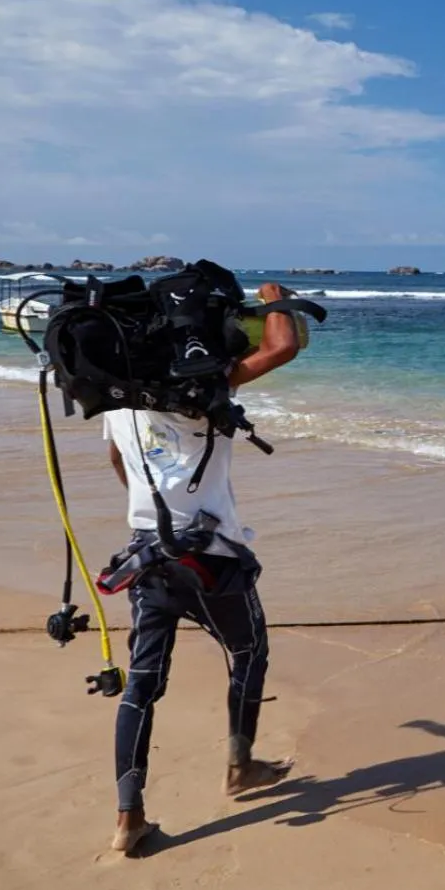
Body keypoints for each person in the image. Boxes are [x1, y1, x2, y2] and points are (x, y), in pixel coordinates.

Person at [103, 281, 301, 854]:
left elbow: (117, 459)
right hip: (213, 559)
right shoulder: (207, 386)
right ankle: (240, 767)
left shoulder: (117, 396)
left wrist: (152, 507)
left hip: (147, 555)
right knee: (248, 652)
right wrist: (273, 296)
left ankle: (128, 818)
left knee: (142, 687)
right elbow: (282, 345)